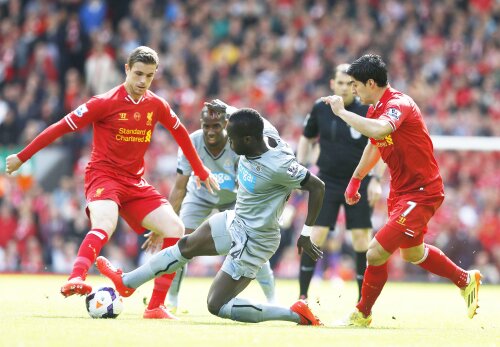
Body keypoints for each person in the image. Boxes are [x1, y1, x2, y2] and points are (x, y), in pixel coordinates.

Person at [4, 46, 219, 319]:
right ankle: (76, 277)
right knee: (106, 223)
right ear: (127, 69)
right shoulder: (103, 102)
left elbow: (181, 135)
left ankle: (155, 306)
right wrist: (23, 157)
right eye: (138, 73)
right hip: (103, 176)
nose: (143, 81)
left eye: (149, 76)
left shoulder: (156, 105)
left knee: (175, 228)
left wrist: (200, 171)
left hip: (134, 182)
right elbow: (60, 126)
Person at [96, 102, 326, 325]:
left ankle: (295, 315)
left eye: (232, 140)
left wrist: (306, 234)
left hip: (257, 238)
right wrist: (223, 106)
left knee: (216, 305)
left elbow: (317, 187)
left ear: (247, 140)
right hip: (236, 220)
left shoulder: (279, 165)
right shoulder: (260, 128)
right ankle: (128, 282)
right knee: (186, 245)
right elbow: (239, 113)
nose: (230, 144)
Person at [321, 54, 482, 326]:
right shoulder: (375, 109)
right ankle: (466, 279)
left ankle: (362, 313)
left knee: (374, 252)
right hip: (401, 192)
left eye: (356, 84)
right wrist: (356, 178)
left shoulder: (399, 104)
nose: (352, 90)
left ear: (371, 83)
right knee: (412, 253)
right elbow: (375, 143)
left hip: (422, 191)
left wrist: (341, 112)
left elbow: (382, 128)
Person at [165, 105, 276, 312]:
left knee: (252, 244)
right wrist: (168, 221)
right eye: (206, 126)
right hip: (199, 197)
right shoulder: (191, 142)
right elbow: (179, 187)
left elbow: (250, 182)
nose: (210, 131)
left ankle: (272, 298)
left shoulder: (238, 141)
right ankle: (172, 300)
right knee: (182, 240)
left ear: (226, 124)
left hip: (234, 198)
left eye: (216, 125)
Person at [297, 64, 385, 302]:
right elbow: (306, 138)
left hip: (360, 181)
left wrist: (376, 179)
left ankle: (362, 302)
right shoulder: (320, 108)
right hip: (326, 181)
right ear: (332, 84)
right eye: (341, 82)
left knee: (361, 239)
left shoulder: (367, 109)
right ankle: (303, 297)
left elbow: (382, 144)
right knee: (316, 236)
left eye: (349, 83)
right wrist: (299, 167)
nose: (345, 87)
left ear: (355, 86)